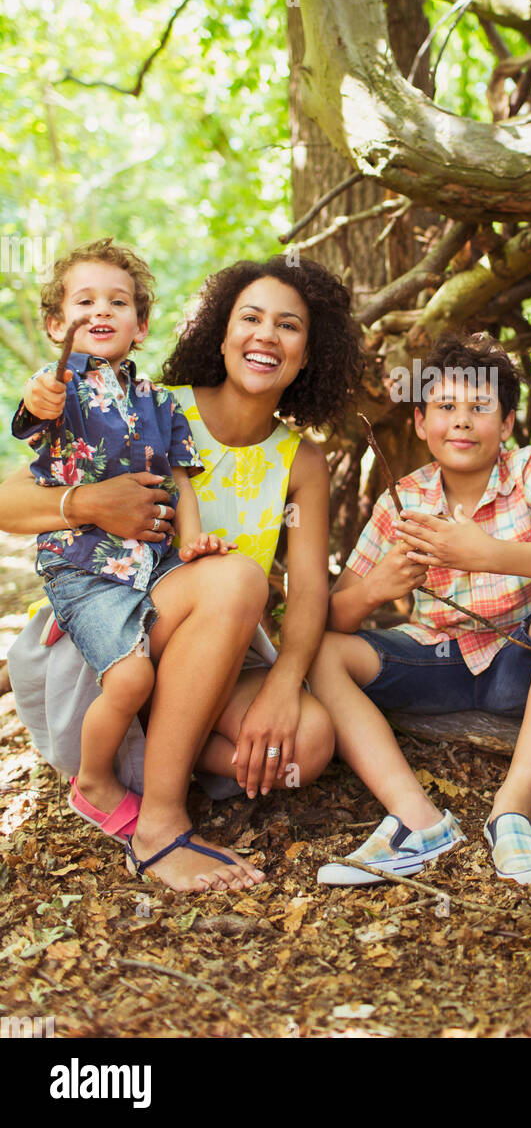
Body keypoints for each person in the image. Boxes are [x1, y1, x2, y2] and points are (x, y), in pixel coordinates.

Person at [1, 252, 364, 892]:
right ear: (220, 333)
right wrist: (89, 503)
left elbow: (310, 589)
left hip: (213, 645)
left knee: (305, 746)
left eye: (289, 326)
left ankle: (155, 748)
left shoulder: (301, 462)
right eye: (250, 318)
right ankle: (160, 822)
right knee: (237, 578)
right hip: (111, 626)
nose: (265, 336)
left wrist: (286, 681)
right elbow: (8, 499)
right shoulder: (142, 404)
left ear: (309, 354)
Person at [308, 332, 531, 886]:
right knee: (321, 653)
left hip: (522, 658)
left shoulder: (529, 468)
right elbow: (333, 617)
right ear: (422, 422)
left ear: (507, 424)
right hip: (439, 659)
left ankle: (514, 809)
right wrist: (375, 588)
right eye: (445, 406)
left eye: (480, 408)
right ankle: (417, 821)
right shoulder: (403, 499)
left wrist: (489, 552)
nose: (462, 421)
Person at [12, 239, 236, 849]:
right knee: (132, 681)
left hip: (154, 563)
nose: (101, 312)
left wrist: (192, 541)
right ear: (58, 324)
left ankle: (187, 769)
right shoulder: (63, 389)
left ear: (140, 325)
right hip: (84, 570)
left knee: (224, 591)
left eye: (118, 302)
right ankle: (94, 780)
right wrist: (39, 396)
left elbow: (181, 481)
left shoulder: (160, 402)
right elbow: (34, 406)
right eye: (84, 302)